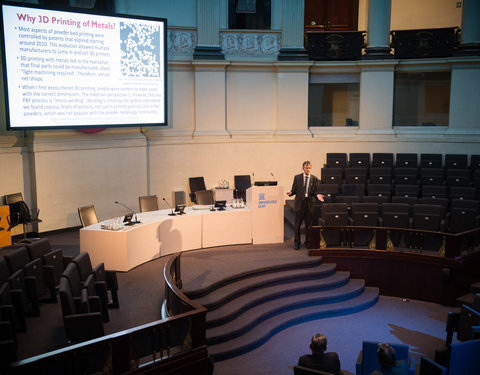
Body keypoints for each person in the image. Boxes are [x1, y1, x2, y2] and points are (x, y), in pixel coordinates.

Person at [287, 160, 324, 250]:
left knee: (308, 225)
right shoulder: (297, 177)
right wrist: (290, 192)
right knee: (297, 225)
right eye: (306, 168)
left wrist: (317, 196)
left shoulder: (314, 179)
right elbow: (294, 189)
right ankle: (297, 243)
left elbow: (314, 192)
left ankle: (307, 242)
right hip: (300, 203)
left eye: (309, 168)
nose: (308, 169)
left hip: (309, 204)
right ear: (303, 168)